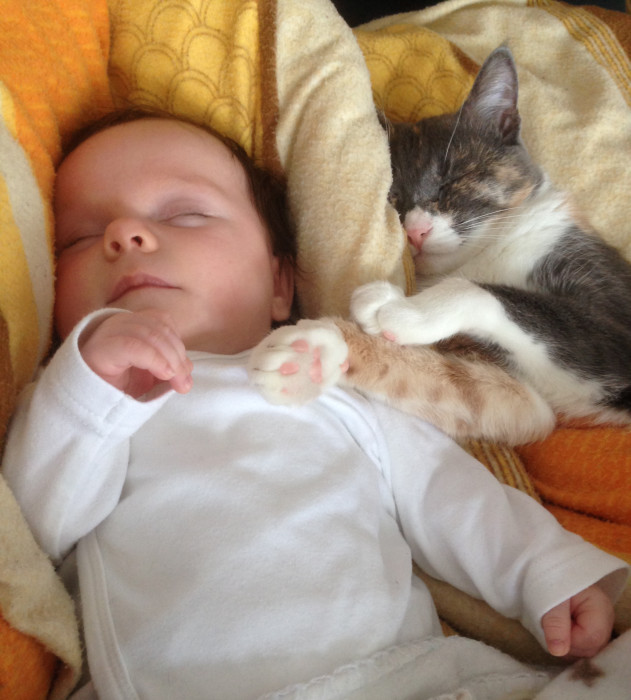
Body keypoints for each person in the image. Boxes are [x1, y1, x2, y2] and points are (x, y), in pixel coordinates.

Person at [2, 111, 628, 700]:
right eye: (81, 237)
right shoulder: (80, 412)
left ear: (280, 284)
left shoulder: (334, 380)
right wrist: (88, 387)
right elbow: (32, 536)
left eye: (187, 214)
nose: (124, 235)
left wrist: (546, 572)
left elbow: (445, 490)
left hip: (401, 678)